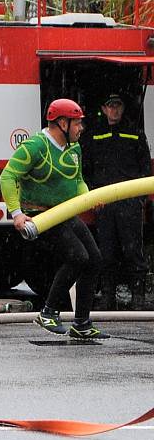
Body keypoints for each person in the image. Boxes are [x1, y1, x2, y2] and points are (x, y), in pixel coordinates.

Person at [0, 98, 108, 339]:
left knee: (95, 260)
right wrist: (16, 214)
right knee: (77, 257)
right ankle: (48, 312)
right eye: (77, 123)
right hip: (42, 216)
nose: (81, 128)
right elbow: (7, 177)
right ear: (61, 123)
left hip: (66, 212)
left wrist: (89, 197)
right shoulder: (35, 146)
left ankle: (81, 323)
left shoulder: (74, 148)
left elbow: (77, 181)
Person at [80, 93, 151, 310]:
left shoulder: (135, 133)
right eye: (111, 106)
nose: (115, 110)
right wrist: (92, 193)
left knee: (133, 251)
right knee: (106, 251)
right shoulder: (94, 135)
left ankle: (137, 297)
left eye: (118, 105)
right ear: (104, 108)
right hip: (104, 202)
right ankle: (108, 296)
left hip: (129, 203)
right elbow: (86, 167)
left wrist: (139, 199)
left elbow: (145, 167)